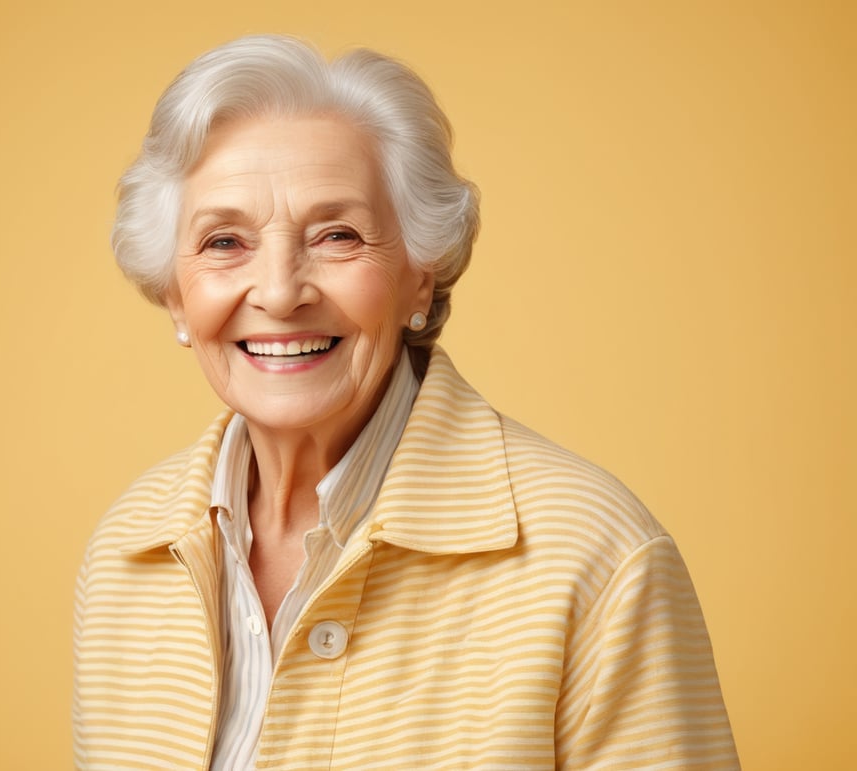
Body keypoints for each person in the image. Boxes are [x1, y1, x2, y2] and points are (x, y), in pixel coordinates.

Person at [73, 34, 738, 770]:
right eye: (225, 241)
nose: (279, 290)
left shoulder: (597, 558)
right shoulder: (125, 555)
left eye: (337, 235)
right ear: (173, 292)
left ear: (421, 277)